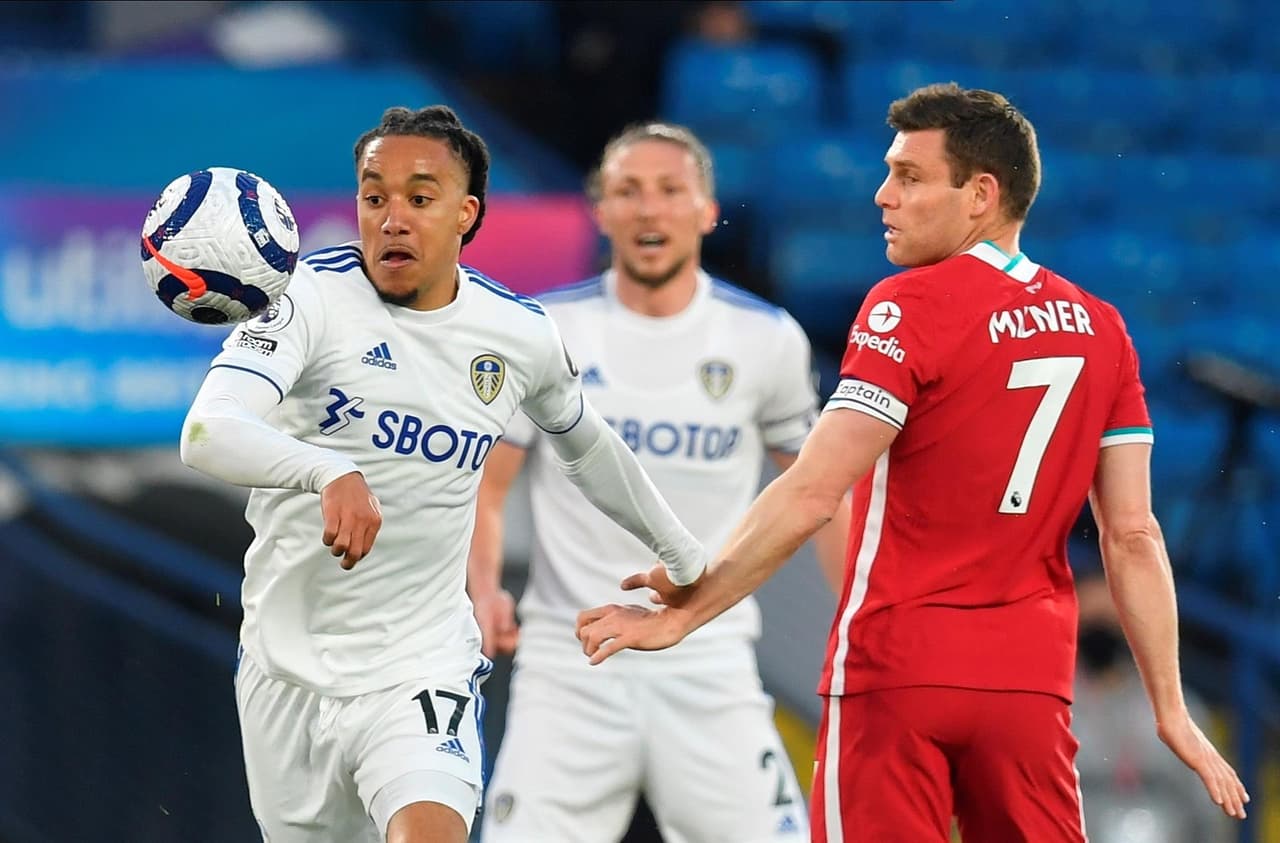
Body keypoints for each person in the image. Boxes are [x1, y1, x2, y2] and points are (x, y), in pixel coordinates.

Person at [576, 83, 1250, 841]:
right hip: (1029, 689)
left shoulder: (907, 306)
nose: (881, 194)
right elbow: (1133, 535)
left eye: (909, 176)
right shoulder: (1102, 328)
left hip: (897, 671)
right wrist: (1170, 706)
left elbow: (812, 491)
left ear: (981, 194)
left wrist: (687, 612)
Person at [177, 105, 708, 843]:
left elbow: (586, 444)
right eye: (374, 196)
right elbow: (207, 432)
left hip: (420, 665)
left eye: (419, 198)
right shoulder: (305, 300)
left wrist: (684, 553)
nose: (392, 218)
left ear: (466, 213)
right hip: (284, 674)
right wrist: (328, 469)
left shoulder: (518, 334)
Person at [469, 121, 849, 843]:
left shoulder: (766, 338)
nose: (650, 209)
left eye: (671, 191)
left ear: (706, 210)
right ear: (601, 211)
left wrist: (860, 621)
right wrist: (483, 589)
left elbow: (818, 495)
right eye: (628, 192)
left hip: (709, 656)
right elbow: (486, 486)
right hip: (570, 661)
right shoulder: (546, 328)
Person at [1071, 565, 1233, 843]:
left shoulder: (1176, 705)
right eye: (1091, 622)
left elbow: (1209, 806)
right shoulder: (1051, 709)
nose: (1100, 634)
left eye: (1108, 621)